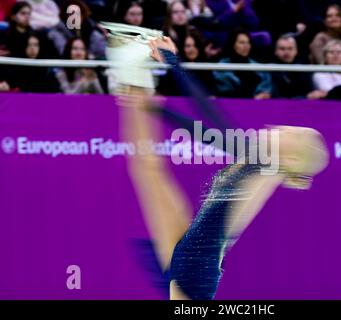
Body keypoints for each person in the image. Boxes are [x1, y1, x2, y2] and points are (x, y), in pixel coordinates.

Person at [116, 35, 329, 300]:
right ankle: (131, 80)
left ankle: (130, 79)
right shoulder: (262, 160)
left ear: (293, 159)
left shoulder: (268, 164)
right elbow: (209, 131)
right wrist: (156, 109)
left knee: (147, 169)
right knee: (146, 169)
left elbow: (211, 116)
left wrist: (172, 61)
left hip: (196, 268)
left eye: (293, 134)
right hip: (192, 248)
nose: (284, 128)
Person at [213, 29, 272, 99]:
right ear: (233, 44)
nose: (246, 46)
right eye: (242, 43)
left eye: (248, 42)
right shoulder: (220, 67)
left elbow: (266, 91)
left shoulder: (259, 68)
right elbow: (224, 91)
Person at [271, 33, 314, 99]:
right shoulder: (269, 69)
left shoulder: (305, 69)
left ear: (296, 51)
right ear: (275, 51)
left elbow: (310, 92)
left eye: (290, 49)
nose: (286, 52)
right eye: (282, 49)